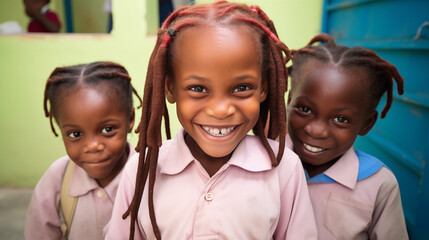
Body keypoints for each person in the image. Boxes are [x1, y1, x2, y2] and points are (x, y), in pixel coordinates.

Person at [105, 1, 317, 239]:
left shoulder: (284, 170)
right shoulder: (140, 170)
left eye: (242, 87)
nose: (220, 109)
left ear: (263, 88)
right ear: (170, 89)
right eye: (198, 88)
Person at [286, 33, 408, 239]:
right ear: (289, 101)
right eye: (305, 109)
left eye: (340, 119)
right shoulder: (263, 161)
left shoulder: (378, 184)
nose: (317, 130)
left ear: (366, 123)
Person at [25, 61, 142, 240]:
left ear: (130, 119)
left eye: (108, 130)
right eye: (75, 133)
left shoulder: (149, 176)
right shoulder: (57, 179)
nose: (93, 146)